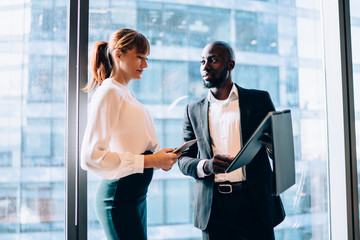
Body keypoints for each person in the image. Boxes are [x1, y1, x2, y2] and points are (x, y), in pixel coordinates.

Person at [178, 41, 285, 240]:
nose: (205, 66)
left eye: (213, 60)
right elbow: (183, 160)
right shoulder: (192, 111)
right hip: (213, 209)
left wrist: (271, 144)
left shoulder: (259, 100)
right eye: (202, 61)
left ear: (230, 65)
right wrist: (206, 165)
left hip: (255, 204)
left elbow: (280, 149)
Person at [80, 28, 180, 240]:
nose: (145, 65)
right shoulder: (109, 92)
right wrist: (152, 160)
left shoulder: (123, 92)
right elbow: (91, 156)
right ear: (118, 55)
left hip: (134, 196)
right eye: (140, 57)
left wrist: (158, 159)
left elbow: (131, 144)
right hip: (119, 198)